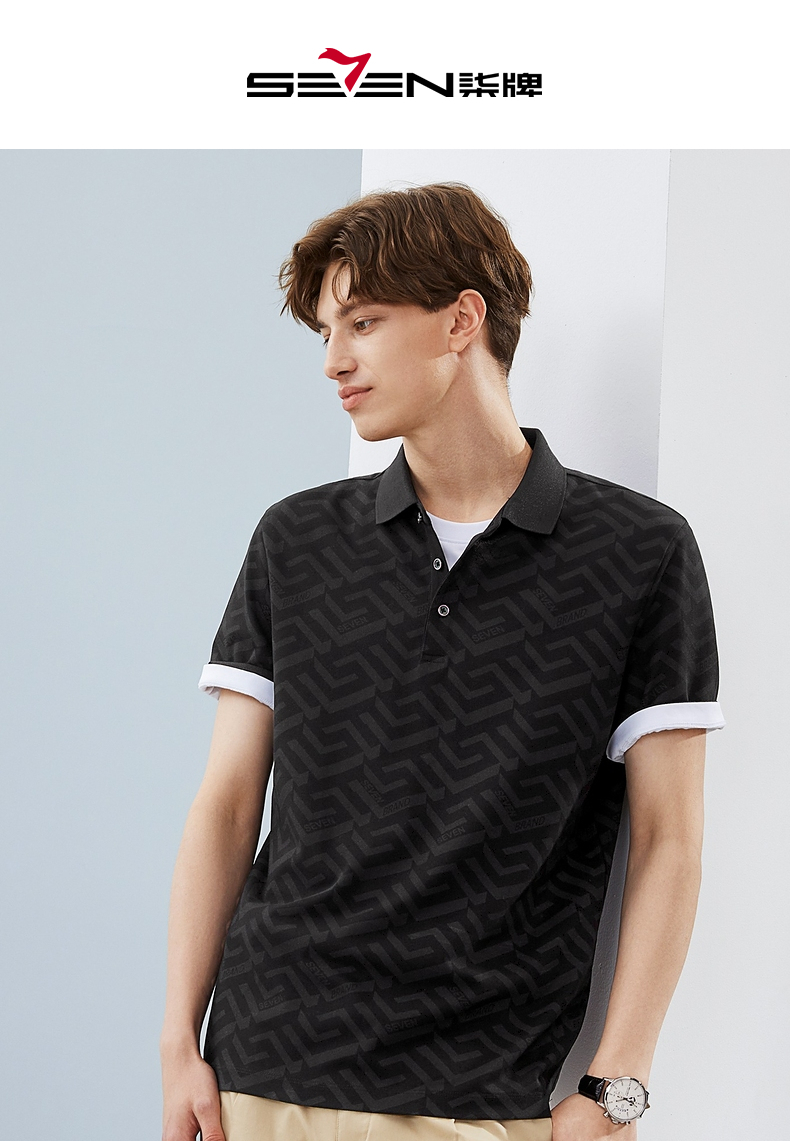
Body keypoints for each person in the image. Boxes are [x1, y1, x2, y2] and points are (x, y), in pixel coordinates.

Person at [160, 183, 724, 1141]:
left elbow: (671, 836)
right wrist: (178, 1041)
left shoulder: (638, 552)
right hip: (263, 1071)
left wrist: (616, 1085)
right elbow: (225, 802)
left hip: (480, 1092)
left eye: (363, 322)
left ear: (463, 319)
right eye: (327, 332)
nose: (335, 361)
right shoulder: (297, 540)